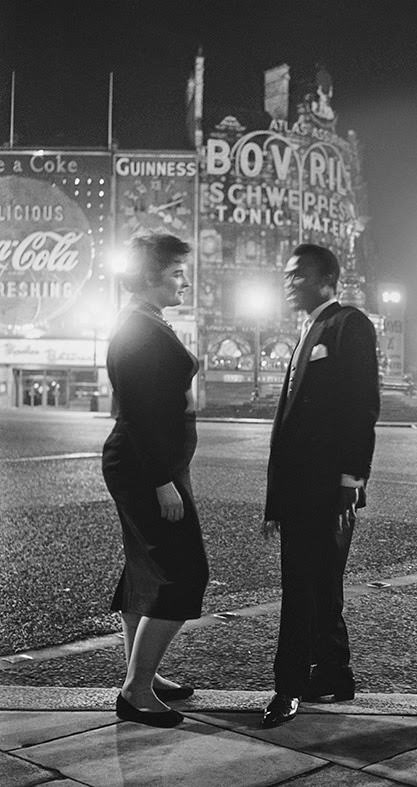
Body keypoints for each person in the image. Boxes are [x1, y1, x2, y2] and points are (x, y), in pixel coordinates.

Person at [262, 243, 380, 728]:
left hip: (328, 486)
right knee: (322, 584)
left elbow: (362, 405)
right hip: (301, 488)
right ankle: (334, 674)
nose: (288, 284)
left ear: (327, 278)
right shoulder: (308, 330)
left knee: (301, 586)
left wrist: (352, 479)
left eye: (297, 276)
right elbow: (287, 426)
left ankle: (288, 687)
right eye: (286, 276)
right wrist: (275, 500)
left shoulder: (349, 324)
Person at [102, 232, 208, 729]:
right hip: (148, 468)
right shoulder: (139, 330)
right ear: (149, 276)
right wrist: (163, 479)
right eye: (175, 272)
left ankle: (142, 672)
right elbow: (143, 412)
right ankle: (137, 688)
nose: (185, 280)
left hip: (150, 464)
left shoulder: (145, 322)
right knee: (184, 572)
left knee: (145, 570)